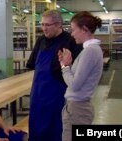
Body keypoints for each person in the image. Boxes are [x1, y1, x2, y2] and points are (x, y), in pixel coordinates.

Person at [26, 10, 82, 141]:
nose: (44, 28)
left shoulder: (70, 41)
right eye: (42, 24)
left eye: (48, 25)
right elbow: (33, 64)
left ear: (58, 24)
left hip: (58, 95)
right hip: (38, 94)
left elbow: (76, 72)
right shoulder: (40, 41)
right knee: (36, 128)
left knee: (57, 129)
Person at [58, 11, 103, 141]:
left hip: (78, 109)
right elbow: (80, 78)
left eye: (73, 30)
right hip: (77, 107)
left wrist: (65, 67)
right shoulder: (90, 50)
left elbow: (74, 84)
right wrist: (68, 64)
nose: (72, 34)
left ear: (84, 29)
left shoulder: (90, 51)